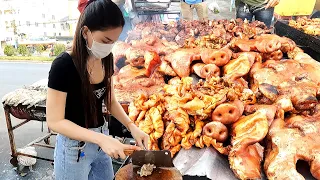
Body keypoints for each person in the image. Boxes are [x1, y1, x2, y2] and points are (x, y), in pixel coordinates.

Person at [46, 0, 149, 179]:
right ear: (86, 32)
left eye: (114, 41)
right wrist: (101, 139)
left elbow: (110, 100)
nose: (109, 47)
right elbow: (55, 121)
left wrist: (132, 126)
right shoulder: (63, 65)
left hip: (102, 138)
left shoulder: (106, 58)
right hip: (74, 149)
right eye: (105, 40)